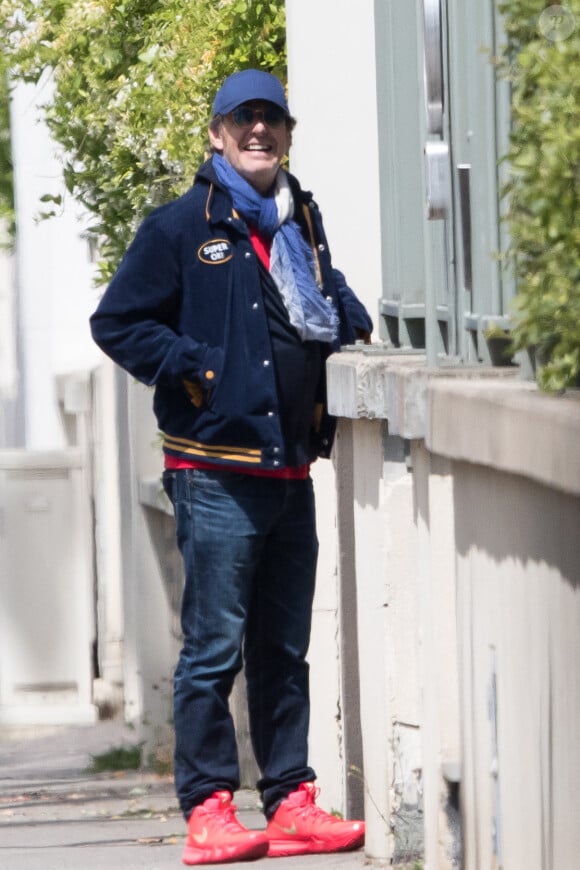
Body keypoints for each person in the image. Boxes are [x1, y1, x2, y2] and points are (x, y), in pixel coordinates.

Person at [90, 68, 372, 866]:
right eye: (243, 120)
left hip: (290, 469)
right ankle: (209, 807)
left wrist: (347, 320)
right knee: (213, 649)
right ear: (216, 133)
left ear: (287, 133)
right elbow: (117, 322)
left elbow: (325, 294)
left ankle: (290, 801)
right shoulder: (183, 227)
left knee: (283, 649)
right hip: (213, 470)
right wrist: (194, 368)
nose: (259, 132)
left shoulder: (299, 219)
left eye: (271, 121)